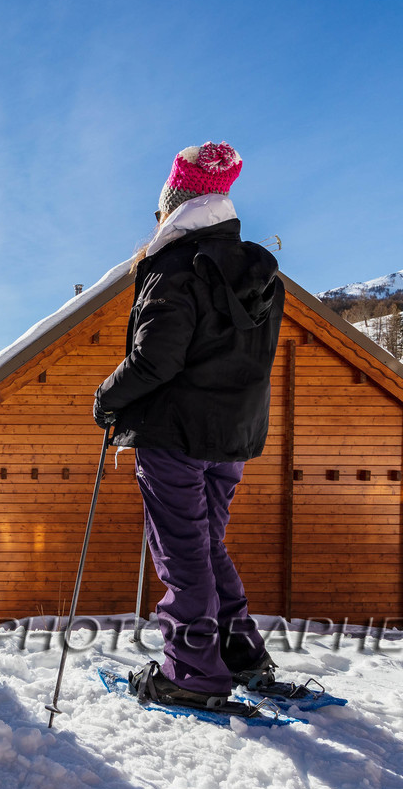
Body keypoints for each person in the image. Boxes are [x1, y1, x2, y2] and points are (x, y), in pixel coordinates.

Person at [92, 142, 286, 710]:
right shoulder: (259, 273)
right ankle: (239, 653)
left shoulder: (174, 267)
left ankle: (193, 674)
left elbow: (158, 360)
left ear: (172, 205)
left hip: (175, 434)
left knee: (181, 551)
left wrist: (106, 399)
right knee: (207, 545)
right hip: (233, 436)